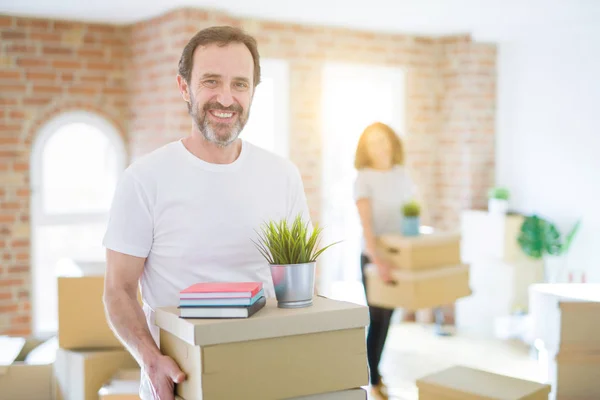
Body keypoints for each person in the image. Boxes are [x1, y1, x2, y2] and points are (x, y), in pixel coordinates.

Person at [102, 26, 311, 400]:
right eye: (211, 82)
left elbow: (297, 287)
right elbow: (117, 290)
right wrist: (150, 361)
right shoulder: (144, 179)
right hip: (179, 382)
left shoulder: (283, 175)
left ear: (253, 92)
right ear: (185, 87)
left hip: (268, 375)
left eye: (240, 84)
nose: (226, 98)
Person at [353, 122, 417, 400]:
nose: (379, 146)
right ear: (365, 149)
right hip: (374, 256)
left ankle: (374, 373)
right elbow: (366, 224)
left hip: (398, 254)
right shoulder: (364, 178)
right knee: (377, 318)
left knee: (388, 318)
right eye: (372, 142)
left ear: (392, 142)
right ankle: (373, 380)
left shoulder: (401, 175)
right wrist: (377, 260)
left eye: (383, 140)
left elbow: (410, 216)